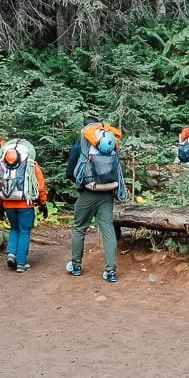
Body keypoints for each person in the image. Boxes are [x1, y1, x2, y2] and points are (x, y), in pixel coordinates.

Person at [65, 116, 126, 282]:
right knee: (107, 229)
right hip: (107, 193)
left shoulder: (81, 147)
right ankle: (110, 271)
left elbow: (70, 173)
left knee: (79, 227)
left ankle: (76, 266)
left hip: (88, 193)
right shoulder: (112, 145)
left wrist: (84, 183)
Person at [0, 140, 48, 273]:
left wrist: (1, 207)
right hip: (26, 204)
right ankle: (21, 263)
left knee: (14, 228)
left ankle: (11, 254)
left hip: (7, 204)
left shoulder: (2, 165)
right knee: (24, 231)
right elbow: (40, 186)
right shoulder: (31, 165)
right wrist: (43, 204)